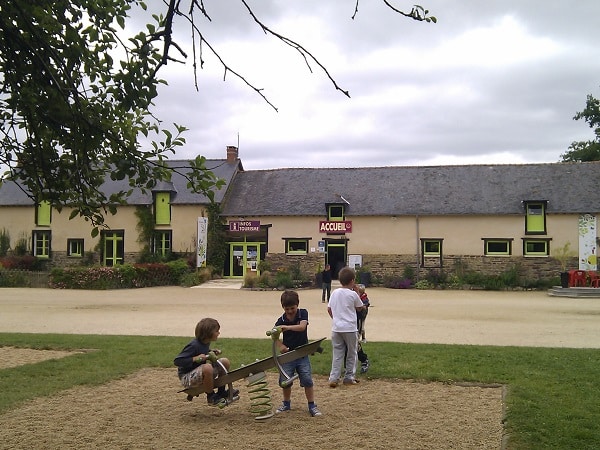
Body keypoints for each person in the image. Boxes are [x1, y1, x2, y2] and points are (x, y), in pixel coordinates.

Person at [273, 290, 322, 417]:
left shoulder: (303, 313)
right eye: (287, 308)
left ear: (297, 305)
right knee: (285, 380)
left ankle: (312, 405)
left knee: (307, 379)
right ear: (283, 307)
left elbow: (302, 327)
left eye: (292, 308)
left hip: (301, 354)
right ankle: (286, 403)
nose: (290, 311)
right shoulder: (281, 320)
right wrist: (281, 346)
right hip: (288, 356)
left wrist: (287, 327)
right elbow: (274, 336)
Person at [174, 317, 238, 405]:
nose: (219, 333)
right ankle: (211, 397)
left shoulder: (205, 343)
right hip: (187, 378)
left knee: (224, 361)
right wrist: (195, 358)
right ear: (209, 333)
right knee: (207, 367)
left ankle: (221, 392)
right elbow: (178, 361)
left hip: (199, 375)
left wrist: (210, 352)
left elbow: (202, 353)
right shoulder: (194, 345)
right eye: (216, 331)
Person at [327, 266, 365, 387]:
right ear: (352, 280)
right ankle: (349, 377)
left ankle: (334, 377)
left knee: (337, 353)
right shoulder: (352, 294)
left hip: (337, 328)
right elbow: (360, 307)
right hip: (350, 328)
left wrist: (336, 318)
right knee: (352, 353)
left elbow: (329, 309)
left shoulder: (335, 293)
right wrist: (358, 292)